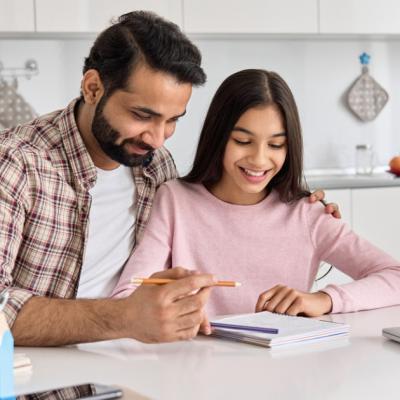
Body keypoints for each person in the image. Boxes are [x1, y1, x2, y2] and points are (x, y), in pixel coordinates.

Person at [0, 12, 336, 346]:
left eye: (172, 120)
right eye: (141, 115)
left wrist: (293, 206)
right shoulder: (17, 164)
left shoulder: (154, 165)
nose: (158, 139)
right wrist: (124, 317)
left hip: (131, 363)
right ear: (92, 88)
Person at [113, 69, 400, 319]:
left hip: (283, 371)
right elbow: (127, 297)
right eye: (243, 141)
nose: (259, 160)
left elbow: (395, 277)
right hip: (196, 368)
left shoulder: (308, 214)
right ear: (219, 137)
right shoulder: (176, 200)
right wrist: (172, 309)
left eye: (275, 145)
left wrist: (324, 300)